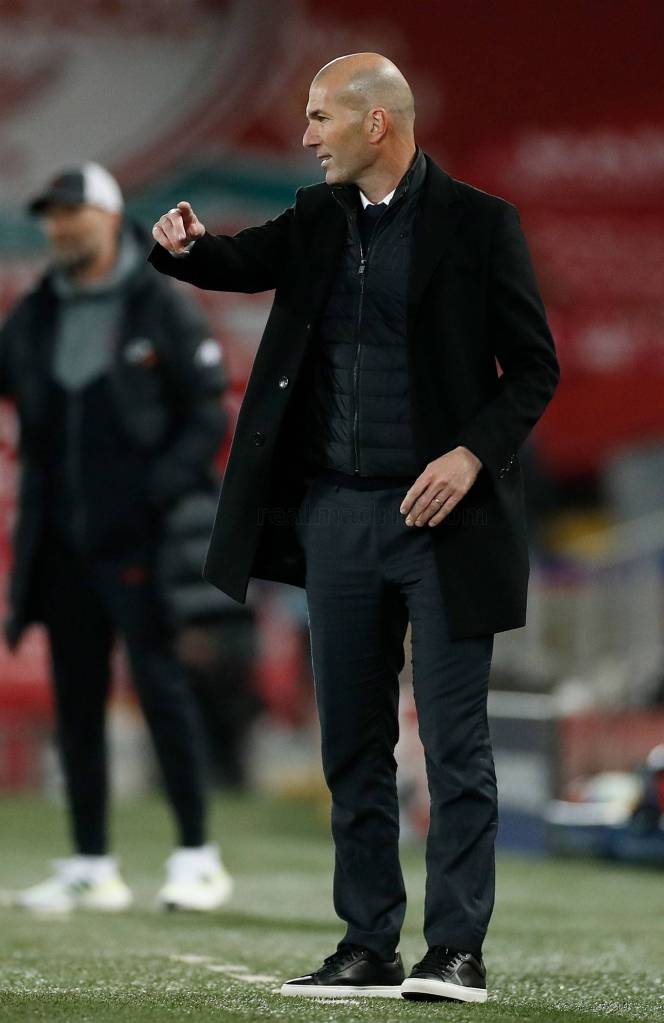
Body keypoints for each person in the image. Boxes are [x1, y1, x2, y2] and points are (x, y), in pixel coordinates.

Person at [149, 53, 559, 1001]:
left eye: (320, 117)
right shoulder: (315, 217)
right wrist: (185, 246)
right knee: (351, 745)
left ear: (377, 123)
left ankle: (456, 949)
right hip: (337, 516)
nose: (306, 136)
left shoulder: (481, 224)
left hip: (446, 519)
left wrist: (470, 455)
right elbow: (238, 261)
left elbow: (534, 368)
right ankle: (368, 944)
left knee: (455, 745)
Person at [0, 162, 233, 913]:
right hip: (60, 539)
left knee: (161, 687)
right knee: (77, 698)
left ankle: (197, 857)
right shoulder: (37, 311)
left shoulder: (159, 302)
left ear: (108, 217)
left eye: (72, 214)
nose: (60, 228)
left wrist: (157, 493)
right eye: (51, 217)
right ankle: (92, 862)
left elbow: (208, 412)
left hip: (143, 539)